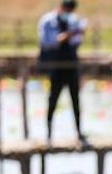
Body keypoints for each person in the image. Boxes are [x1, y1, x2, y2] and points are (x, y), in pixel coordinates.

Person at [38, 0, 87, 144]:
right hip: (56, 66)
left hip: (71, 65)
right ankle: (48, 134)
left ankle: (79, 133)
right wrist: (66, 35)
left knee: (76, 100)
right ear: (61, 7)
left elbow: (77, 42)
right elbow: (47, 42)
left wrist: (78, 33)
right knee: (52, 100)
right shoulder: (47, 21)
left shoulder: (75, 21)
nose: (69, 13)